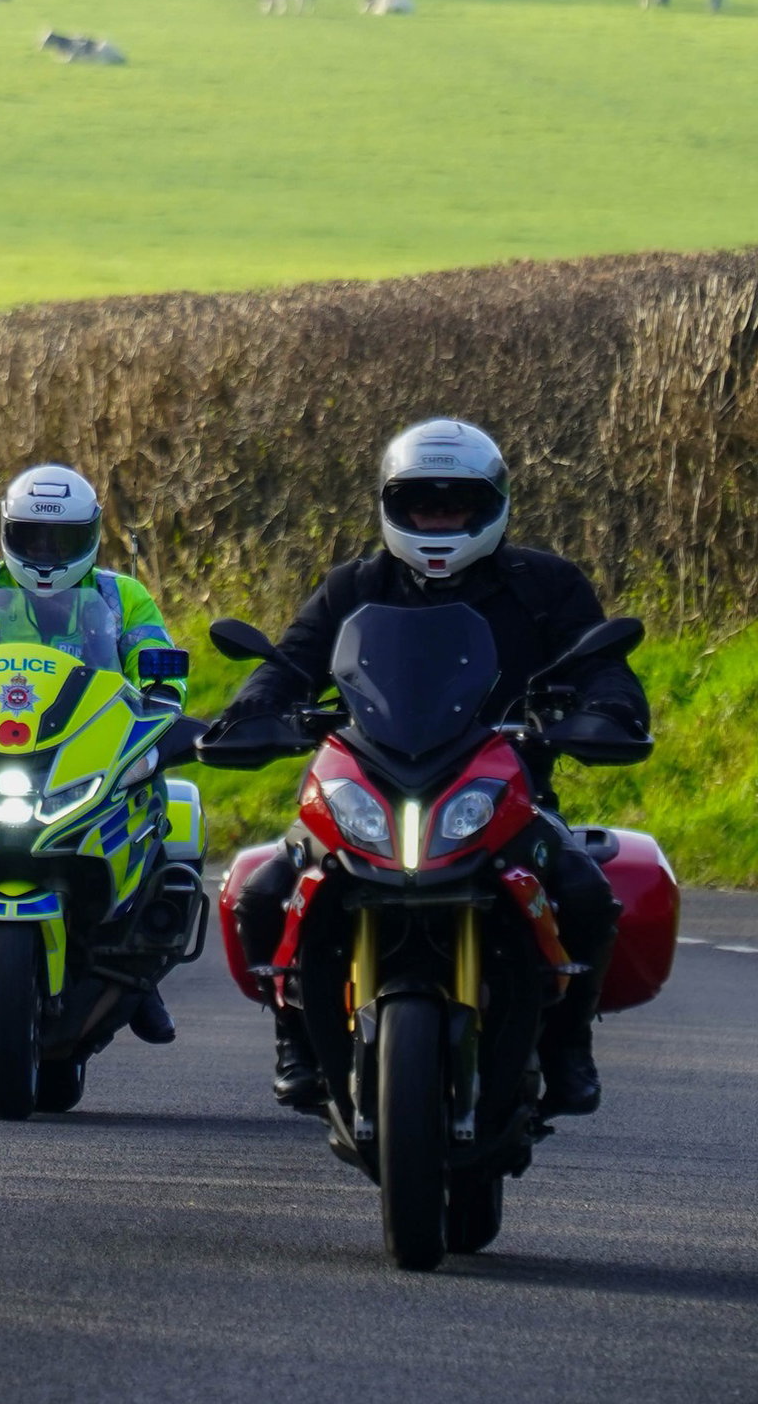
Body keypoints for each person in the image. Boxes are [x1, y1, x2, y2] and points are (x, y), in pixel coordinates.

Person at [205, 419, 649, 1117]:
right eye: (422, 503)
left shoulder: (547, 585)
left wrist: (609, 711)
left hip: (505, 789)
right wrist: (256, 710)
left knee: (587, 895)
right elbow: (291, 663)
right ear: (390, 503)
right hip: (368, 786)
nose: (438, 518)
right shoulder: (354, 584)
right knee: (263, 893)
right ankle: (295, 1036)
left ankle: (567, 1045)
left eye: (456, 503)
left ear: (492, 504)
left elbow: (601, 664)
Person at [0, 462, 186, 1045]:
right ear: (7, 532)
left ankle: (143, 969)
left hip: (84, 751)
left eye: (64, 539)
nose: (48, 552)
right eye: (33, 538)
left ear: (93, 534)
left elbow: (160, 667)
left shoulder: (121, 595)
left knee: (168, 806)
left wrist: (162, 697)